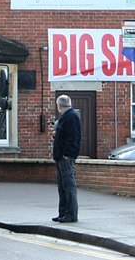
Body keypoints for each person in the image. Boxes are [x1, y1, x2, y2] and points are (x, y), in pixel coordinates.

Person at [51, 94, 81, 223]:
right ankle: (63, 212)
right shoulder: (66, 117)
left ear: (59, 105)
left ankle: (71, 214)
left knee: (68, 185)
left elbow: (73, 137)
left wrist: (67, 154)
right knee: (62, 186)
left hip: (66, 157)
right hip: (61, 156)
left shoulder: (71, 117)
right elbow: (65, 135)